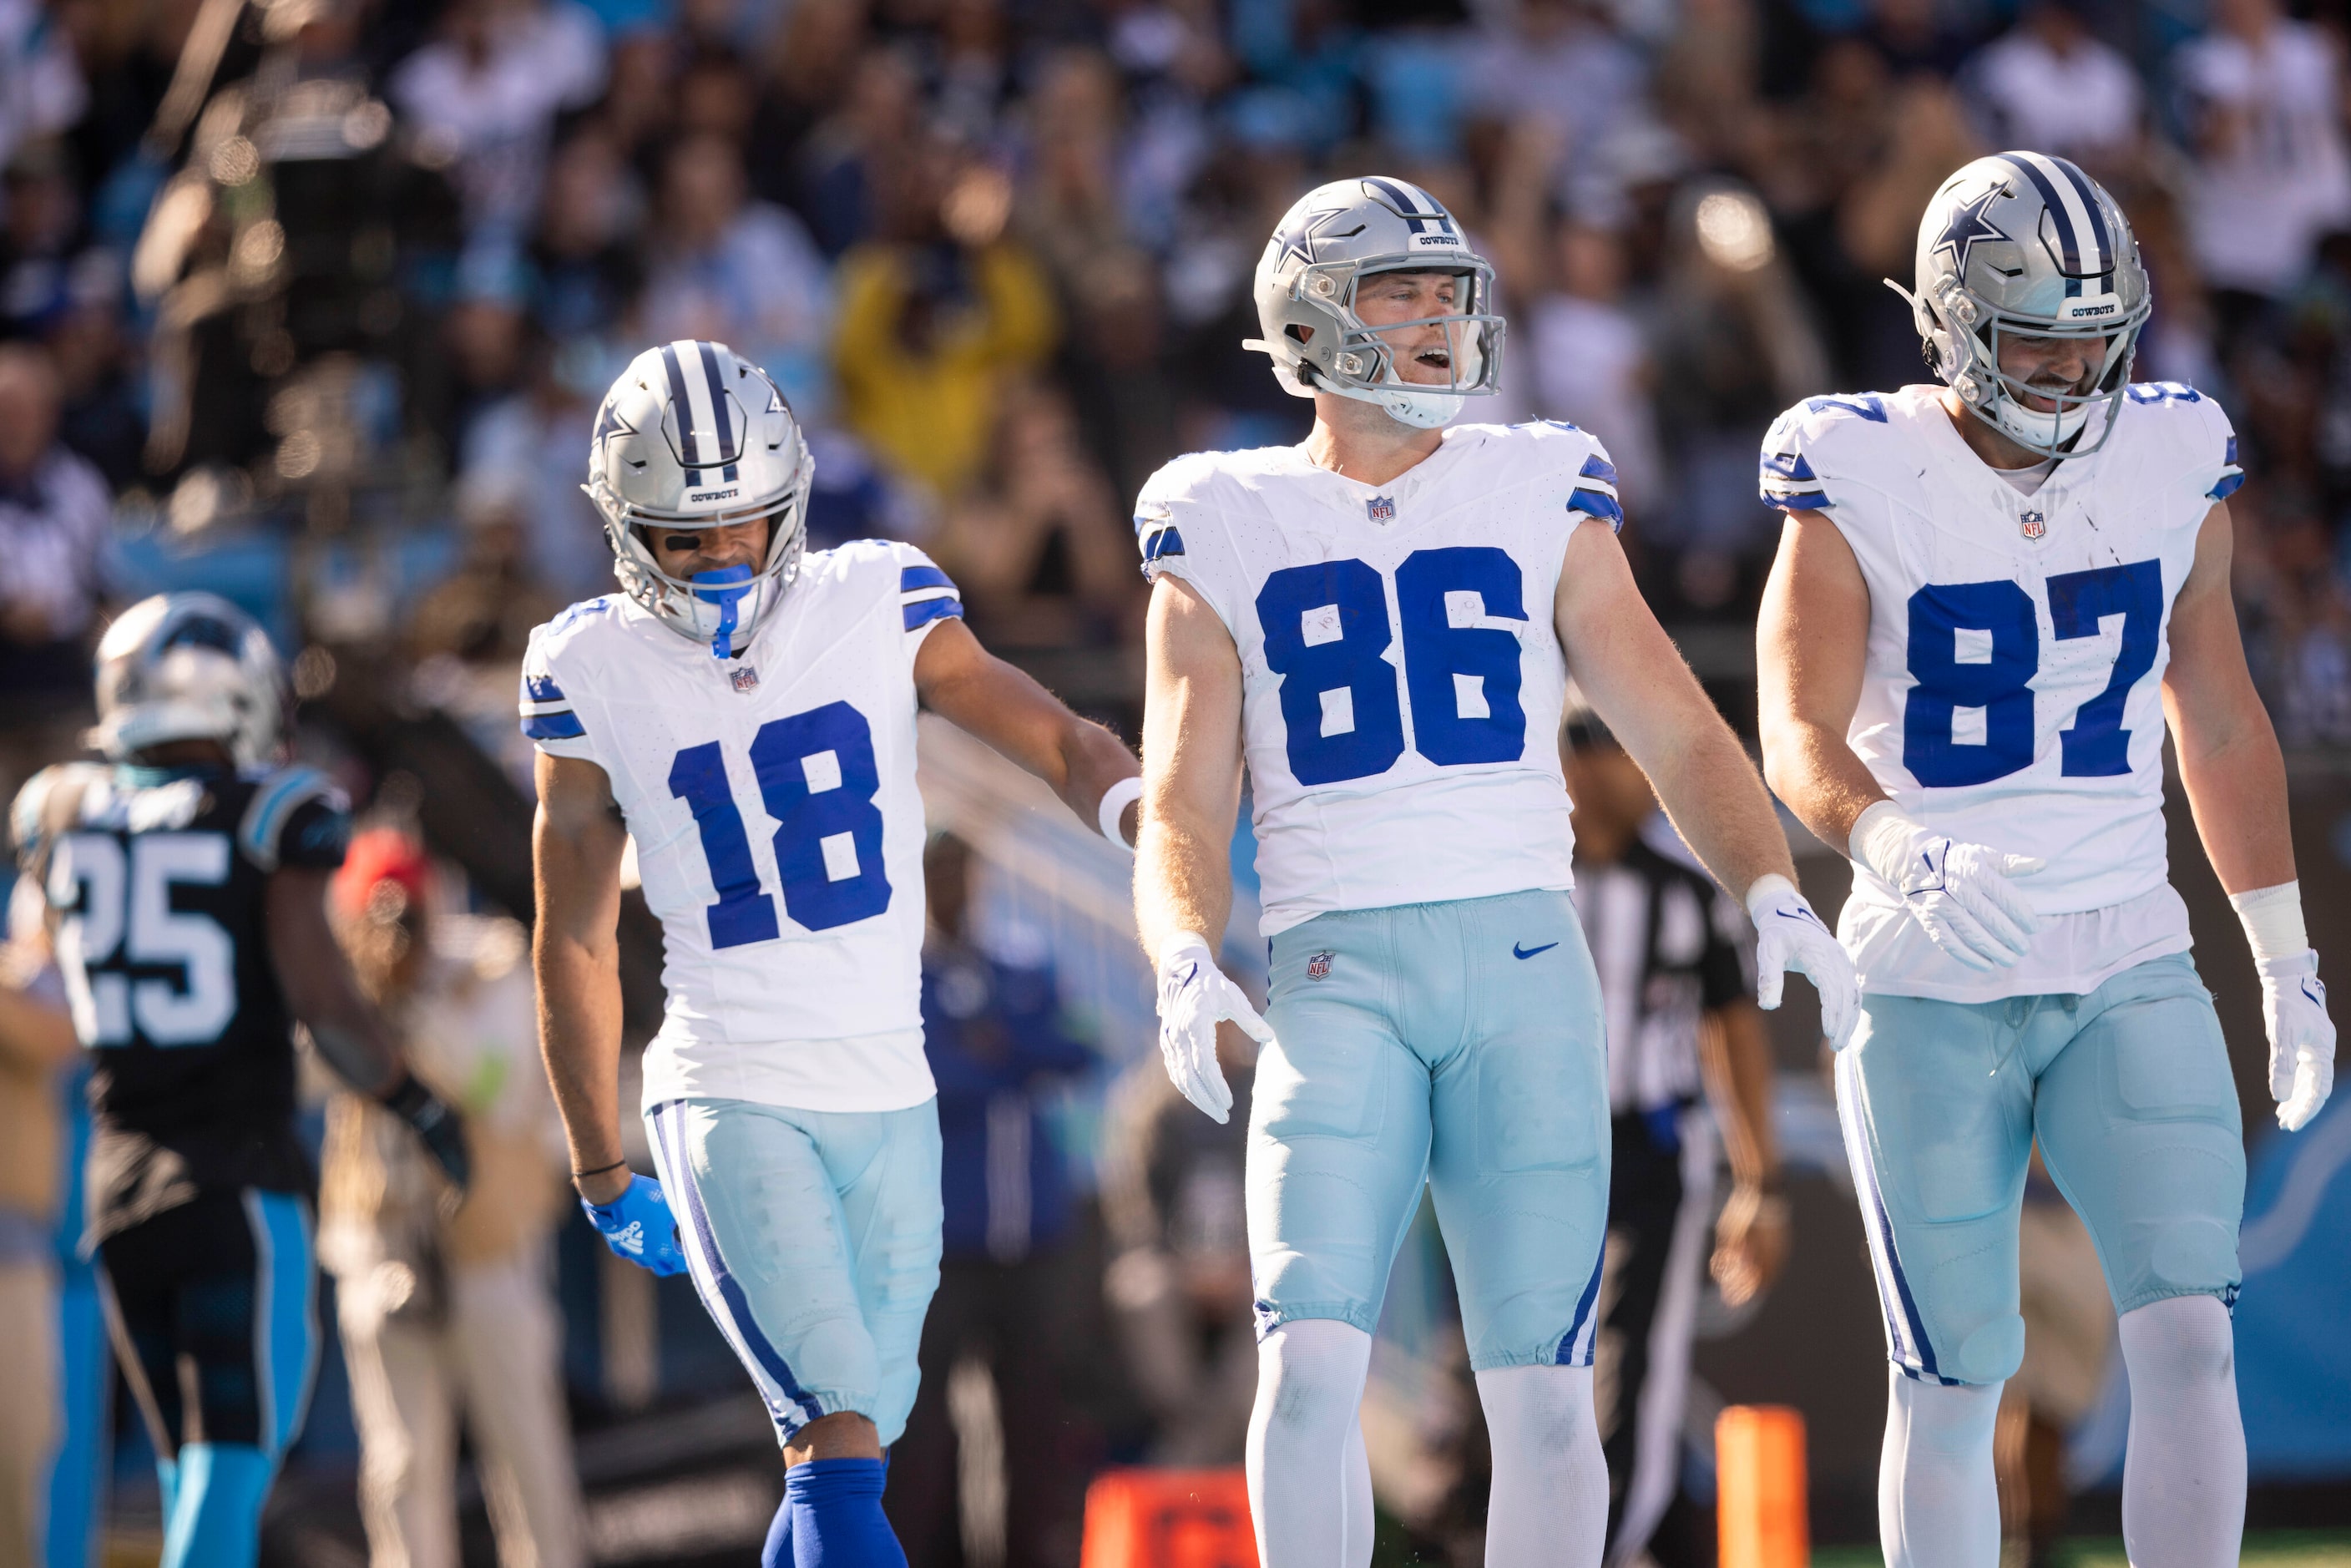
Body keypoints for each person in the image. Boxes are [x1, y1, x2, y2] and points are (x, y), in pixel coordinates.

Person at [1130, 176, 1860, 1568]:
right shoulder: (1220, 511)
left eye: (1442, 289)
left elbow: (1672, 725)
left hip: (1527, 975)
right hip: (1334, 977)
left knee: (1544, 1392)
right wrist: (1180, 944)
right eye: (1399, 291)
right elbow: (1179, 788)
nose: (1437, 317)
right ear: (1313, 318)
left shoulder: (1539, 477)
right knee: (1306, 1371)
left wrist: (1768, 881)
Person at [1754, 151, 2338, 1568]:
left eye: (2096, 335)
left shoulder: (2173, 448)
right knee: (1950, 1377)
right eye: (2038, 336)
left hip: (2128, 947)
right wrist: (1890, 837)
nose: (2074, 368)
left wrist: (2283, 958)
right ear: (1950, 321)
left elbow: (2216, 712)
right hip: (1928, 971)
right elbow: (1794, 724)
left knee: (2191, 1335)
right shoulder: (1855, 461)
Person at [528, 339, 1142, 1568]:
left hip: (890, 1089)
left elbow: (1064, 739)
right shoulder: (587, 668)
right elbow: (575, 939)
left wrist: (1153, 831)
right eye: (681, 537)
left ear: (789, 503)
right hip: (735, 1086)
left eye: (737, 527)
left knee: (846, 1452)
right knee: (843, 1441)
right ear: (623, 530)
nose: (714, 559)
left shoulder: (877, 595)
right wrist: (599, 1161)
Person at [10, 593, 470, 1568]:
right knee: (231, 1465)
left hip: (119, 1183)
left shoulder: (57, 809)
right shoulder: (274, 812)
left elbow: (41, 961)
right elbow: (326, 1005)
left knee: (190, 1467)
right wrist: (417, 1105)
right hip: (237, 1179)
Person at [319, 827, 584, 1568]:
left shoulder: (490, 968)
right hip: (383, 1243)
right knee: (400, 1467)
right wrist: (352, 993)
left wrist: (415, 1016)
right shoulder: (344, 986)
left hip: (488, 1249)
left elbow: (491, 1090)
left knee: (525, 1455)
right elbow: (308, 1076)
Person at [1560, 707, 1787, 1568]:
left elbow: (1732, 1035)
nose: (1638, 773)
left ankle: (1611, 1546)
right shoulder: (1525, 879)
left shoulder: (1684, 893)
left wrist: (1757, 1185)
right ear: (1571, 763)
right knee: (1512, 1367)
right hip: (1530, 1157)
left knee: (1633, 1367)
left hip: (1649, 1152)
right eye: (1620, 750)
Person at [886, 831, 1095, 1568]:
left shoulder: (1017, 957)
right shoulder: (901, 975)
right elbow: (932, 1074)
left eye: (960, 869)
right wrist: (1015, 1055)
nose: (952, 885)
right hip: (944, 1247)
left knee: (1033, 1427)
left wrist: (995, 1045)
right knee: (920, 1430)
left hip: (1032, 1238)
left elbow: (1080, 1045)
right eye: (937, 871)